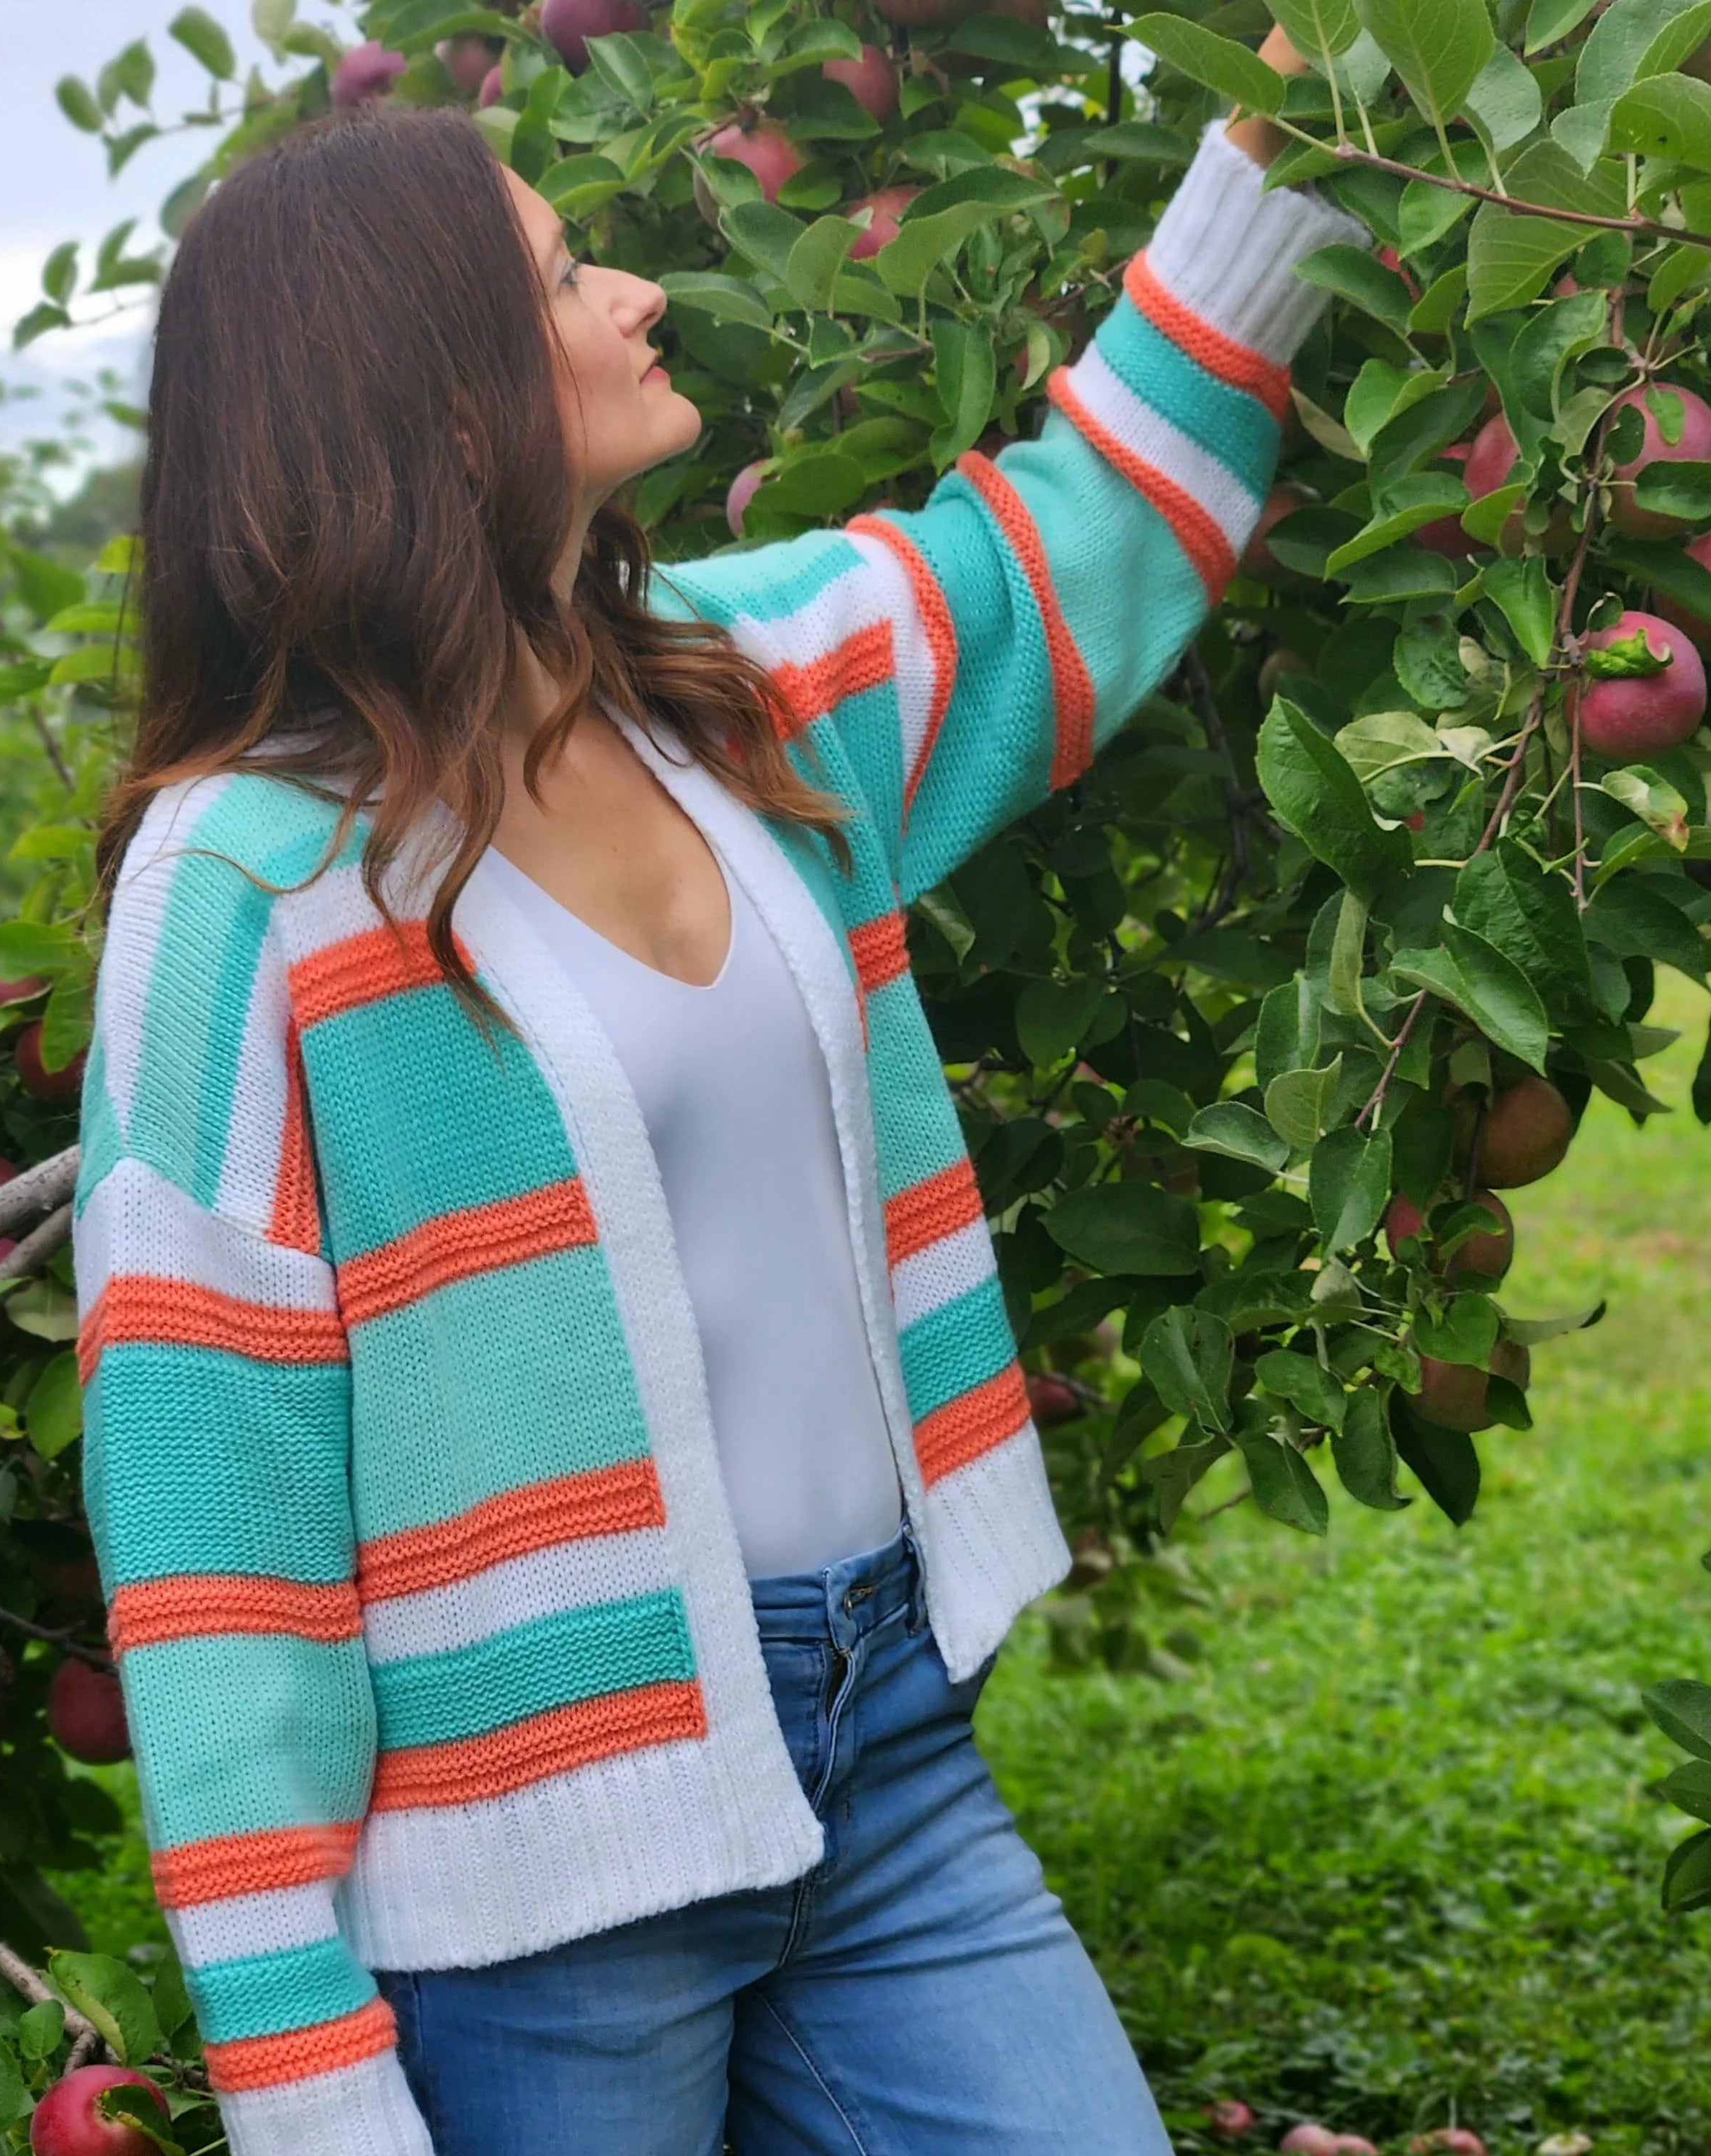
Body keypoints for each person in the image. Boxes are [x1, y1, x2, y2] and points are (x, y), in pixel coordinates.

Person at [76, 27, 1362, 2156]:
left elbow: (1082, 536)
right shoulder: (251, 886)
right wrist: (305, 2075)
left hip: (891, 1745)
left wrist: (1282, 150)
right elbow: (220, 1541)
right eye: (570, 276)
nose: (639, 294)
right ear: (449, 402)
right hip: (535, 1875)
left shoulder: (737, 700)